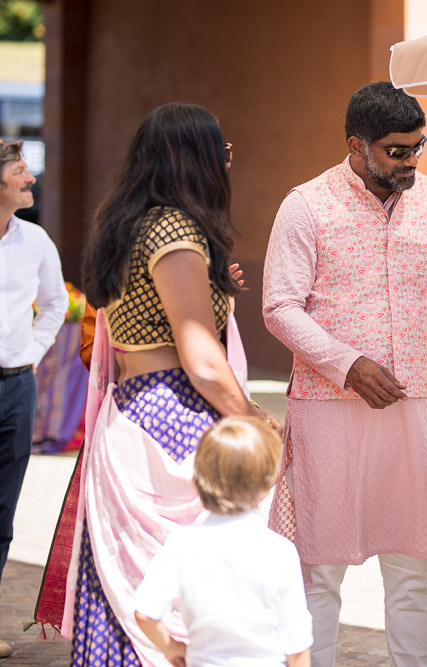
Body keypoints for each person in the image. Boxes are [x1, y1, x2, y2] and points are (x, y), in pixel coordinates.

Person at [262, 81, 427, 666]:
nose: (412, 161)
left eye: (419, 146)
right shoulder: (307, 205)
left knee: (411, 572)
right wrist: (348, 366)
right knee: (318, 571)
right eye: (398, 150)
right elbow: (279, 307)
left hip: (413, 405)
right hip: (327, 409)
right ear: (357, 145)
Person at [63, 102, 278, 665]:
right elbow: (201, 358)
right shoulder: (175, 230)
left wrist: (213, 285)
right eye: (220, 150)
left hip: (129, 412)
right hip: (172, 416)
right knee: (190, 579)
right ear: (194, 159)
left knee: (129, 578)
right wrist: (249, 419)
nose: (227, 161)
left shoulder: (126, 223)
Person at [134, 416, 312, 667]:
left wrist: (171, 648)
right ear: (266, 485)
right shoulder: (280, 551)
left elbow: (145, 613)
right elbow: (297, 645)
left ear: (199, 480)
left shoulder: (183, 542)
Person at [0, 138, 68, 657]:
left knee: (3, 512)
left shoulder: (36, 241)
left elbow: (55, 303)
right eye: (22, 170)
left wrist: (32, 353)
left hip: (15, 387)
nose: (31, 179)